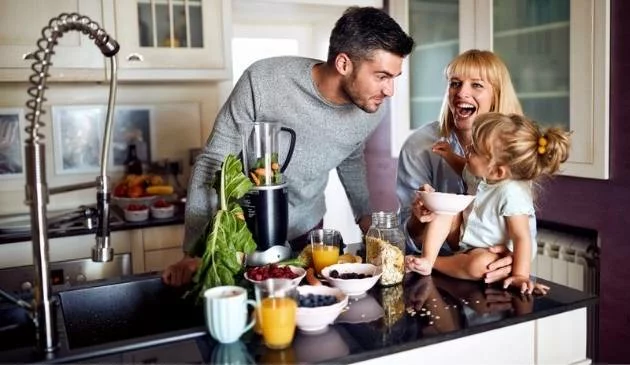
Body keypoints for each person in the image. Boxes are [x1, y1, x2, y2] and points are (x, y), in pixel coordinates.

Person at [162, 6, 415, 286]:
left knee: (307, 313)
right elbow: (213, 161)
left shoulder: (371, 108)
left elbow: (350, 156)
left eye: (394, 78)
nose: (390, 91)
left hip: (308, 230)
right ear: (344, 64)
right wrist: (193, 250)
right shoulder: (263, 82)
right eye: (382, 76)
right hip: (242, 234)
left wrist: (368, 222)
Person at [405, 112, 571, 294]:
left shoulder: (512, 193)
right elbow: (466, 168)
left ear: (498, 172)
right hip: (464, 234)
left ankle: (433, 264)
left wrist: (521, 275)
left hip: (488, 250)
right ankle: (427, 259)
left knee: (480, 265)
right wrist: (450, 156)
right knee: (443, 209)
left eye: (474, 149)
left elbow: (521, 237)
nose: (468, 148)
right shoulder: (485, 173)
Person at [396, 49, 523, 283]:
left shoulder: (512, 148)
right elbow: (404, 236)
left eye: (477, 85)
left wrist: (514, 258)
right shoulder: (419, 146)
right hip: (428, 272)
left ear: (497, 95)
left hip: (490, 267)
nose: (461, 92)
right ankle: (433, 263)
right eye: (455, 83)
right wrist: (417, 217)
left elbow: (523, 222)